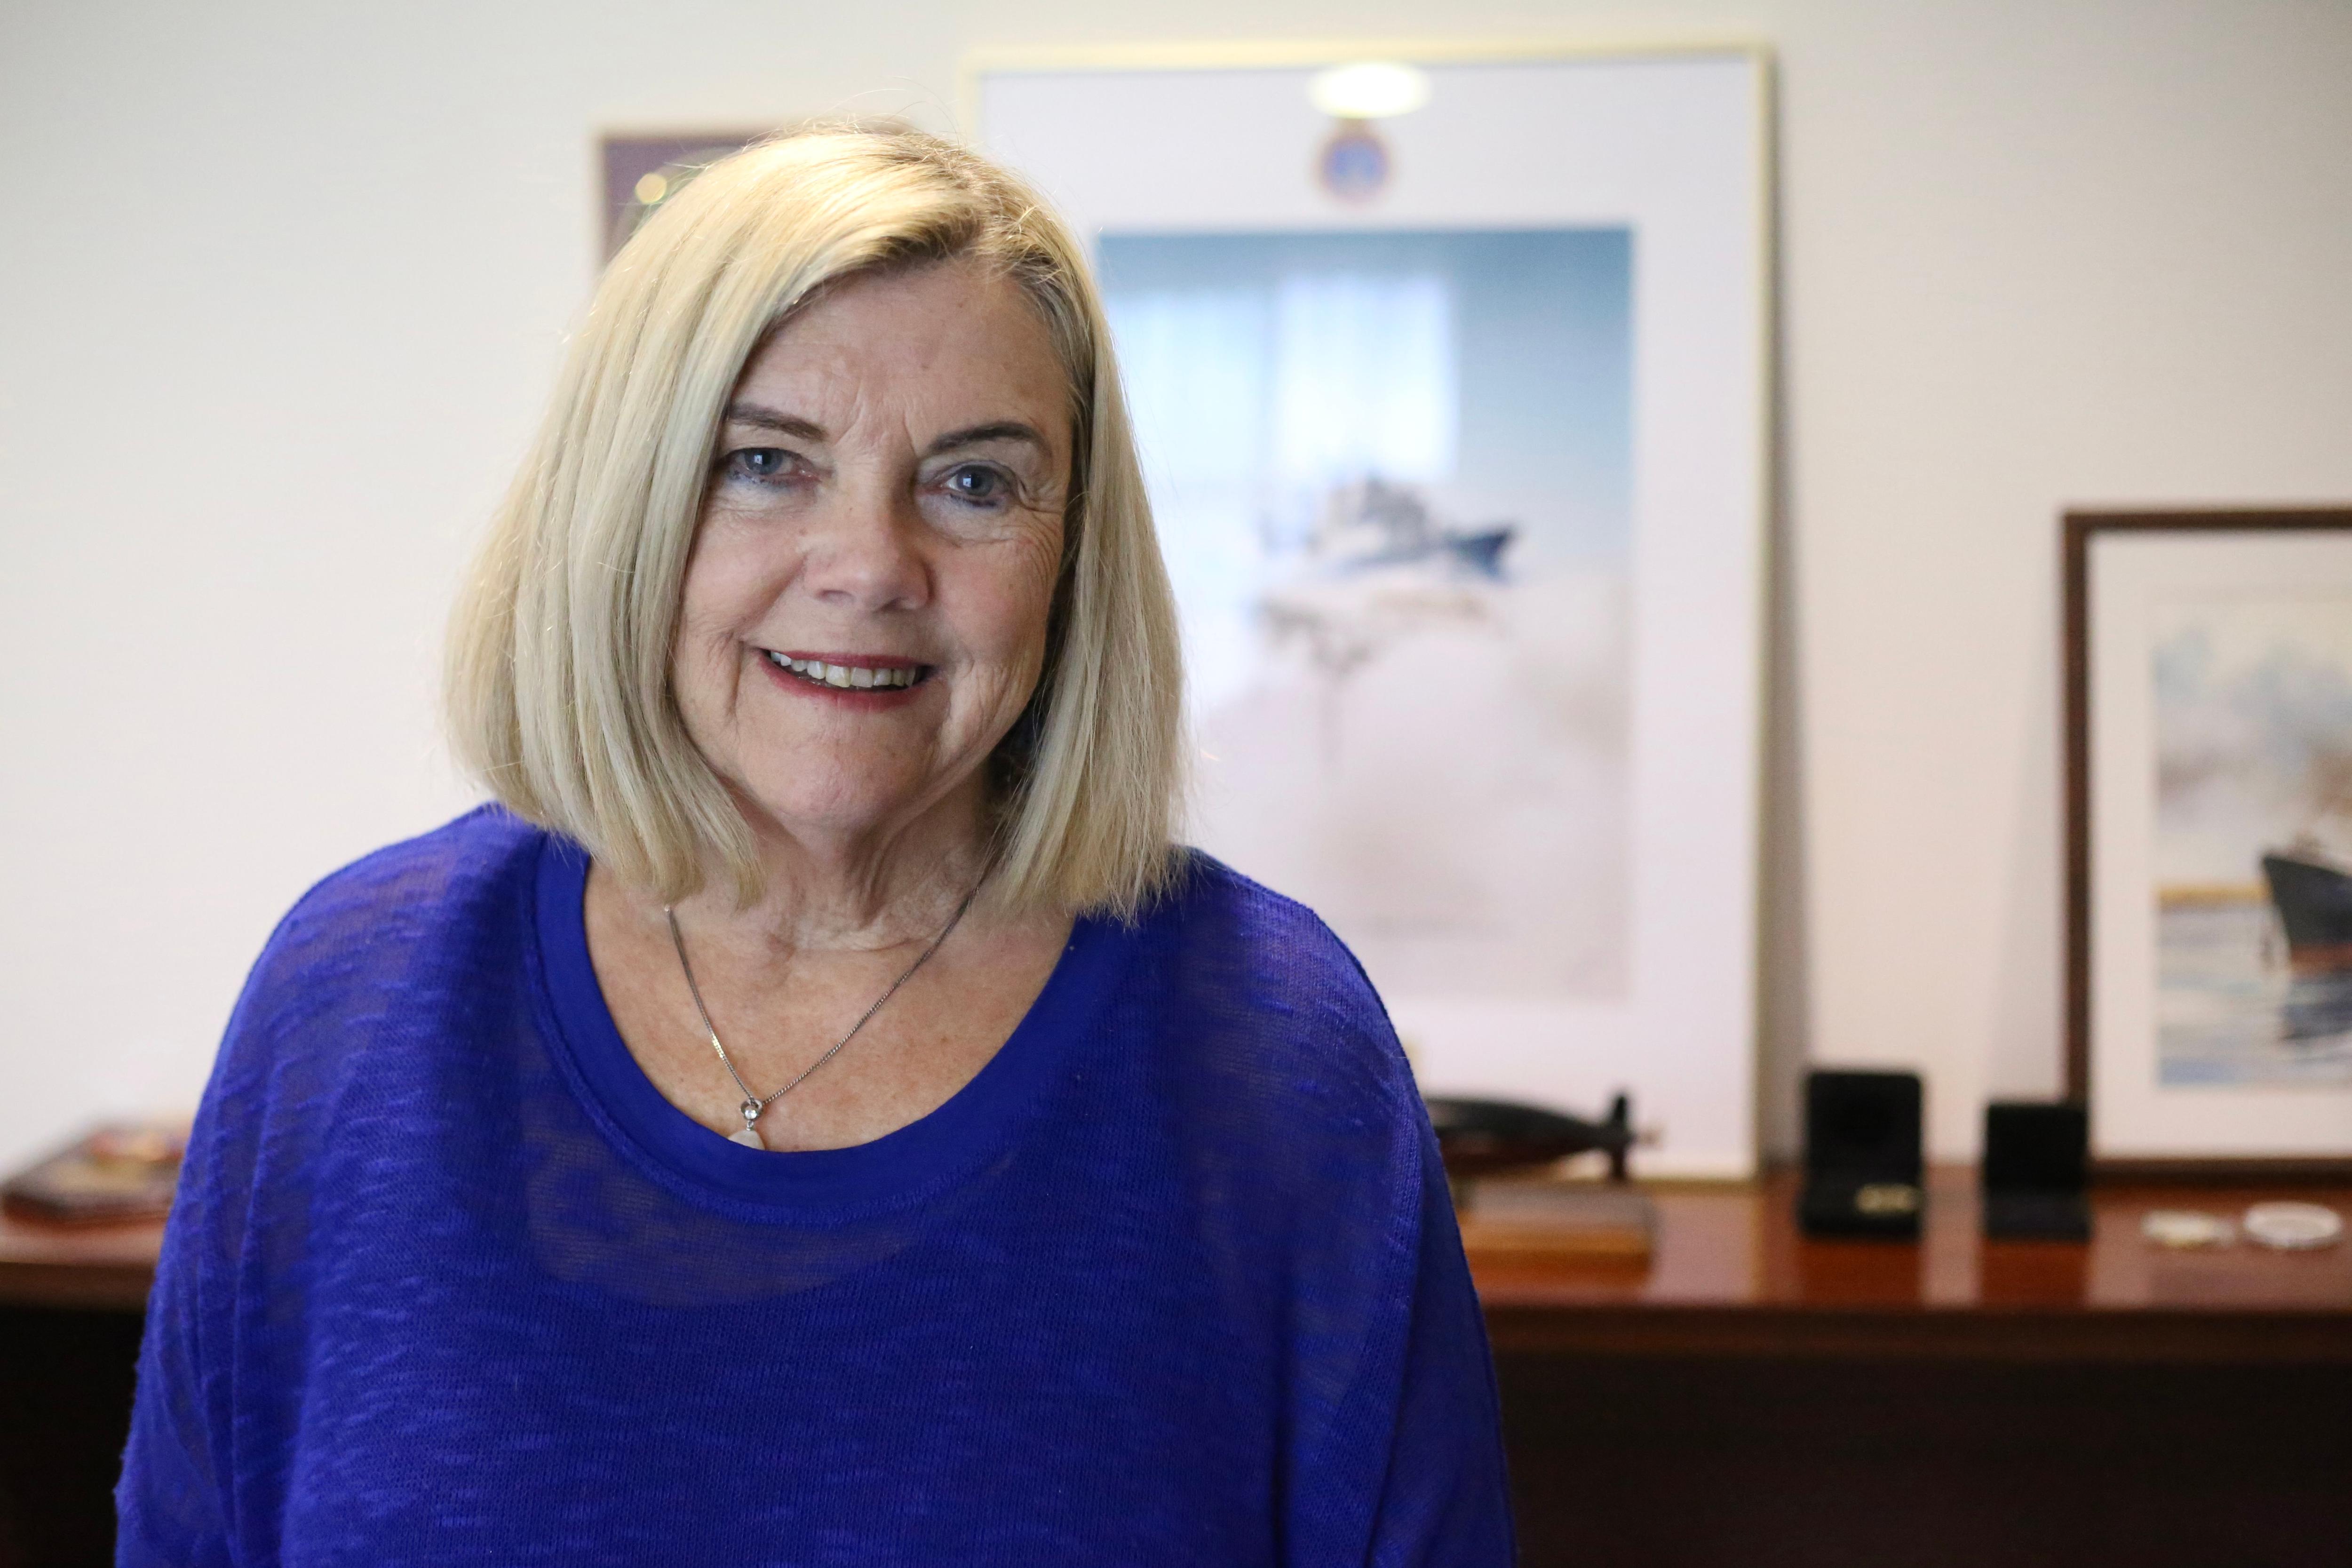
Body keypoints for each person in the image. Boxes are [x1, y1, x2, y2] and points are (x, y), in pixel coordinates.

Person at [116, 124, 1513, 1567]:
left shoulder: (1274, 1051)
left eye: (975, 484)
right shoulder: (346, 1003)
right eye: (766, 463)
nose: (869, 567)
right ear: (626, 507)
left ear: (1072, 553)